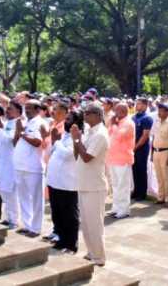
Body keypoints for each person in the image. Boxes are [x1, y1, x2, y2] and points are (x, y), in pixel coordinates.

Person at [72, 102, 109, 267]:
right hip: (84, 182)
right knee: (86, 223)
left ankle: (99, 257)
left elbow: (87, 157)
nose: (84, 116)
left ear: (97, 115)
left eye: (87, 113)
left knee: (94, 224)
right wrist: (76, 140)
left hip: (95, 185)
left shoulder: (100, 134)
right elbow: (77, 155)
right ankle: (91, 252)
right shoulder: (89, 132)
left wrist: (77, 139)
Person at [47, 108, 81, 253]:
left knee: (69, 215)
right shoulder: (65, 136)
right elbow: (52, 152)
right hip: (55, 180)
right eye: (66, 119)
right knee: (57, 213)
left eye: (69, 119)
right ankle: (61, 239)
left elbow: (68, 155)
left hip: (68, 183)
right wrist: (56, 143)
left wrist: (55, 142)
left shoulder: (78, 136)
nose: (65, 121)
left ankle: (71, 244)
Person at [14, 99, 48, 238]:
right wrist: (18, 131)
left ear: (37, 109)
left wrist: (22, 132)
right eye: (25, 107)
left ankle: (35, 228)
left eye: (29, 107)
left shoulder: (41, 123)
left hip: (33, 166)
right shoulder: (25, 122)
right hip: (20, 165)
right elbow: (15, 142)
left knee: (36, 199)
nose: (26, 110)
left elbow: (37, 142)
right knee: (23, 198)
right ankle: (27, 224)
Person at [106, 103, 135, 219]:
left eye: (116, 111)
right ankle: (116, 208)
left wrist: (113, 124)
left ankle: (124, 210)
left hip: (123, 159)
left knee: (123, 185)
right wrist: (112, 124)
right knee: (115, 184)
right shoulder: (118, 122)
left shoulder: (129, 123)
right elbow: (108, 134)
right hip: (113, 158)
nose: (114, 113)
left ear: (123, 111)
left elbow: (119, 136)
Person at [0, 101, 22, 228]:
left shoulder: (18, 123)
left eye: (10, 109)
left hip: (10, 162)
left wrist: (0, 128)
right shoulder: (6, 122)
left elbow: (8, 140)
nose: (7, 111)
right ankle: (7, 217)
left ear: (18, 111)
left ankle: (14, 220)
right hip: (1, 161)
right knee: (3, 191)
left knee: (11, 192)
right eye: (7, 109)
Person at [151, 102, 168, 205]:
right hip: (156, 151)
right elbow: (153, 138)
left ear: (167, 112)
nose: (159, 112)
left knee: (166, 177)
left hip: (165, 151)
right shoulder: (156, 122)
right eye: (158, 110)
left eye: (161, 110)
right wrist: (151, 153)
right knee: (158, 176)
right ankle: (160, 197)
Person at [131, 98, 153, 201]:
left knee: (141, 170)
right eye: (136, 103)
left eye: (139, 104)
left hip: (141, 148)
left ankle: (142, 193)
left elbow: (145, 136)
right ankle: (136, 191)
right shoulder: (133, 117)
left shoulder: (147, 118)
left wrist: (135, 148)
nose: (136, 105)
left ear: (145, 105)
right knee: (134, 170)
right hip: (133, 148)